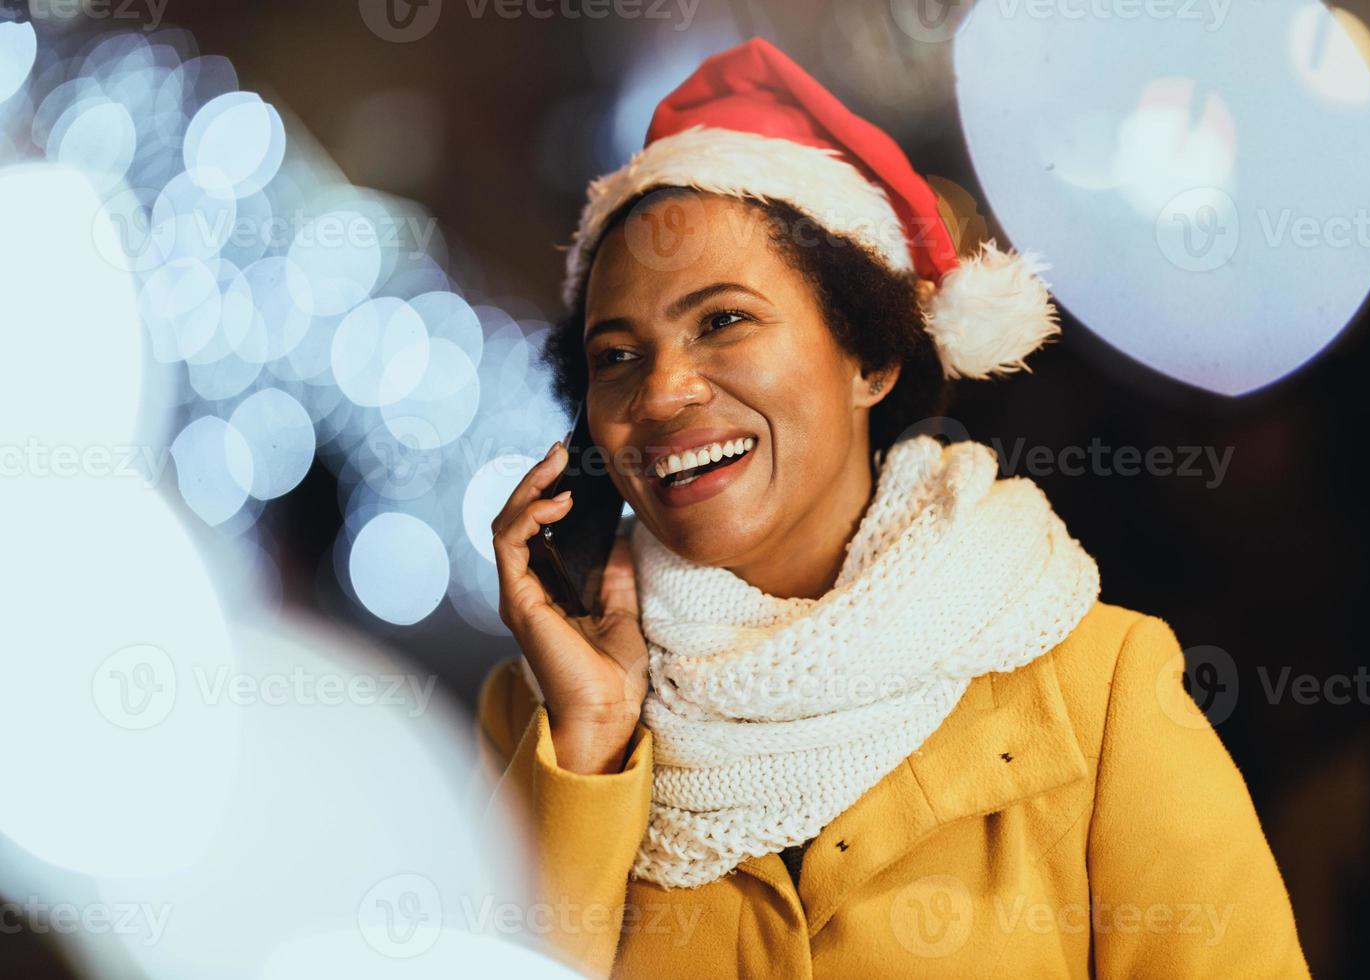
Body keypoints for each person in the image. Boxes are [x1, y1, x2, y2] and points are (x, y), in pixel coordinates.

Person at [481, 37, 1310, 978]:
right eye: (615, 356)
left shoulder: (1102, 688)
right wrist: (590, 745)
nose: (661, 393)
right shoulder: (542, 718)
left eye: (723, 320)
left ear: (872, 358)